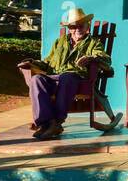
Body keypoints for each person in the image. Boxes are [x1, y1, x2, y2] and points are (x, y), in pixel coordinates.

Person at [19, 8, 112, 140]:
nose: (77, 29)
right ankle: (47, 122)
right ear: (69, 28)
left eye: (81, 25)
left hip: (75, 77)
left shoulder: (93, 43)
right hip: (54, 76)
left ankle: (56, 122)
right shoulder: (60, 42)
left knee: (67, 76)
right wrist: (32, 62)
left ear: (87, 26)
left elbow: (105, 58)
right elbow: (48, 62)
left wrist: (90, 58)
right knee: (37, 79)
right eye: (74, 26)